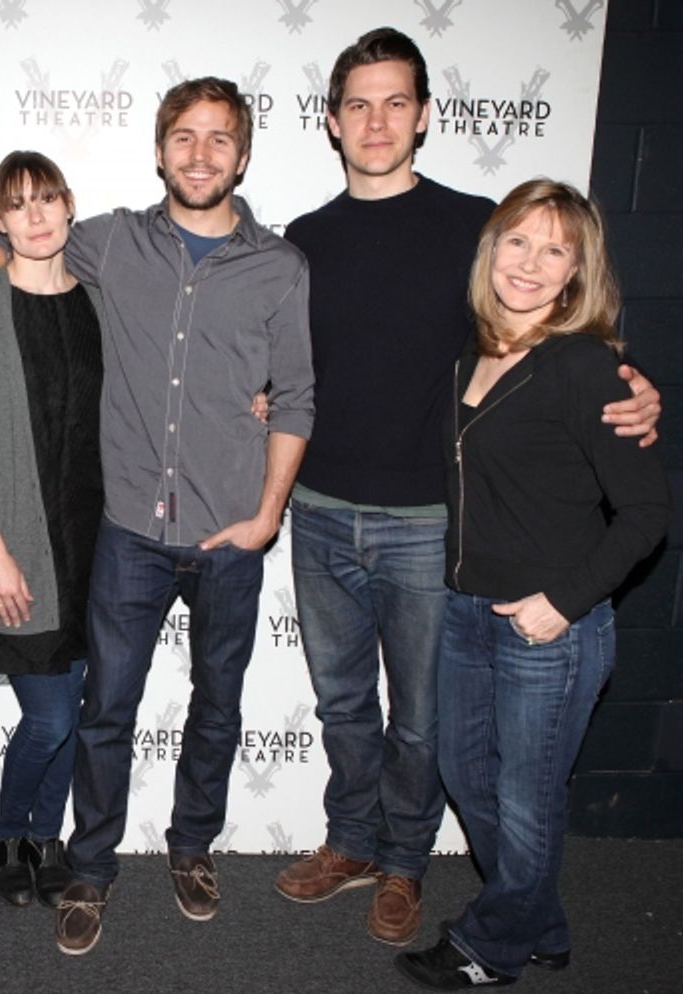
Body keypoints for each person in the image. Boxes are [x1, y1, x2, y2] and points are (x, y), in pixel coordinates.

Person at [273, 27, 662, 947]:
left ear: (424, 118)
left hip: (427, 526)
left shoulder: (479, 230)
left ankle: (407, 862)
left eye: (396, 102)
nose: (377, 120)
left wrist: (635, 389)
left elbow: (552, 340)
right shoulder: (304, 239)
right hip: (318, 510)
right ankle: (351, 841)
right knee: (340, 704)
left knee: (424, 725)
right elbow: (284, 361)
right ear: (332, 123)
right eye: (358, 104)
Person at [0, 77, 314, 955]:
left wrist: (266, 516)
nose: (201, 153)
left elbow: (295, 395)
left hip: (230, 535)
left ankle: (191, 849)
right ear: (159, 149)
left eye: (220, 138)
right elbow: (19, 247)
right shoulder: (112, 241)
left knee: (217, 706)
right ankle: (90, 870)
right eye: (184, 136)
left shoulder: (280, 268)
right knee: (105, 708)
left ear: (243, 156)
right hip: (130, 532)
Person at [396, 180, 670, 989]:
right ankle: (540, 922)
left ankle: (494, 946)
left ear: (578, 272)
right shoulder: (470, 355)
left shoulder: (587, 367)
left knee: (527, 798)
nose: (531, 262)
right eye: (519, 240)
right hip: (467, 612)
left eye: (556, 249)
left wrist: (564, 604)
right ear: (492, 249)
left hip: (550, 627)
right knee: (466, 775)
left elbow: (647, 511)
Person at [0, 151, 102, 909]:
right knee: (52, 715)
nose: (35, 215)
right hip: (17, 546)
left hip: (96, 545)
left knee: (77, 710)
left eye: (47, 199)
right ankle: (9, 830)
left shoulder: (100, 297)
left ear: (69, 207)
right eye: (17, 203)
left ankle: (47, 837)